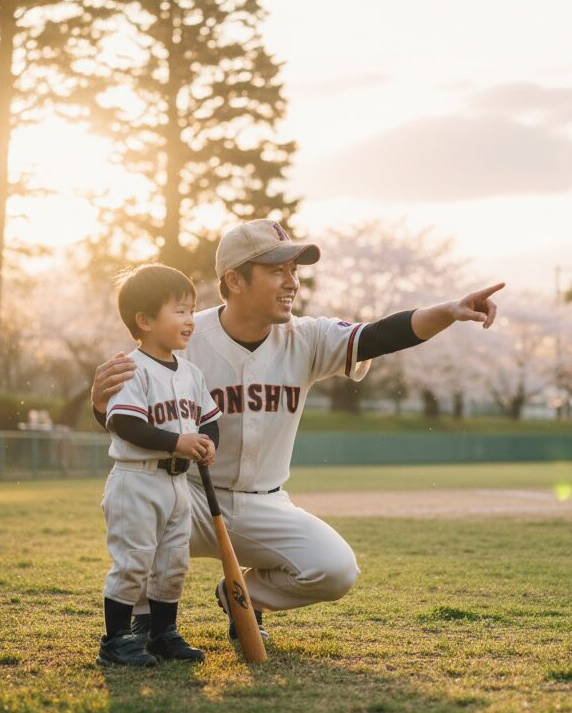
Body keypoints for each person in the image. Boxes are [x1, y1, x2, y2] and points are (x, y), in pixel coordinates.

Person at [91, 219, 502, 642]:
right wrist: (100, 407)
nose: (292, 283)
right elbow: (127, 415)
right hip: (187, 493)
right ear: (234, 280)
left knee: (335, 569)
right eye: (277, 270)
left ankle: (242, 596)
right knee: (142, 511)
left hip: (263, 503)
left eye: (295, 271)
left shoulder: (306, 337)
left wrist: (449, 311)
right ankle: (141, 619)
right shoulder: (182, 332)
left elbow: (379, 335)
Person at [96, 264, 222, 667]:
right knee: (134, 562)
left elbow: (209, 421)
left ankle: (162, 634)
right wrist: (178, 441)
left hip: (176, 484)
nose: (190, 321)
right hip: (136, 481)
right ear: (145, 320)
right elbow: (125, 423)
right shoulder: (130, 369)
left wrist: (206, 444)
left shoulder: (191, 373)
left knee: (172, 564)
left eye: (191, 310)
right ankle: (115, 640)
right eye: (179, 311)